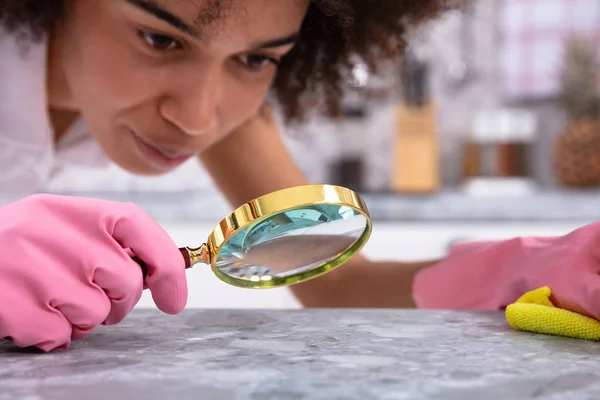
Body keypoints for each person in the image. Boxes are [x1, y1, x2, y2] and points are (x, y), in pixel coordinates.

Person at [0, 0, 597, 353]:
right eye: (160, 38)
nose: (199, 117)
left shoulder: (224, 114)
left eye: (256, 59)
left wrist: (522, 266)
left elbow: (335, 283)